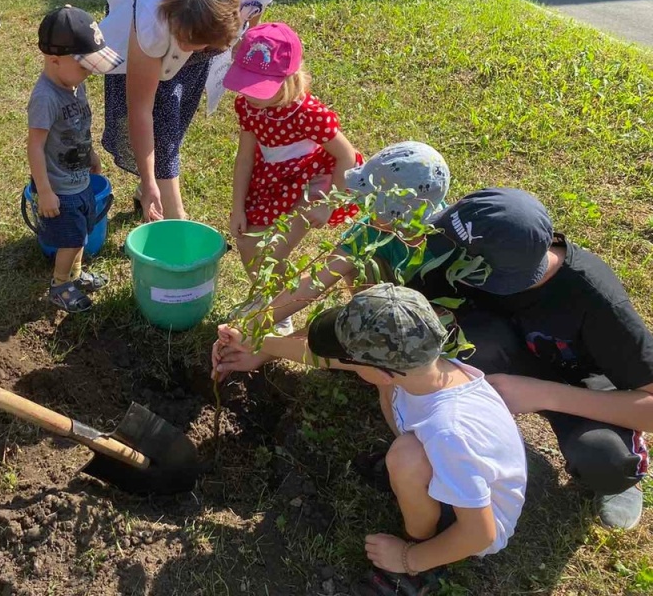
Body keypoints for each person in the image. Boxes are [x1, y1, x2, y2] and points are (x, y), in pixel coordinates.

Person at [213, 284, 527, 596]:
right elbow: (330, 359)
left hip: (470, 524)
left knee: (405, 458)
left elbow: (479, 535)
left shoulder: (450, 432)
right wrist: (256, 344)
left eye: (352, 361)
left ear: (382, 369)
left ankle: (421, 553)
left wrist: (409, 558)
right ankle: (418, 483)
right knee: (396, 418)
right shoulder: (420, 362)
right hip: (453, 466)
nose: (342, 363)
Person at [416, 188, 653, 530]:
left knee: (604, 456)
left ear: (497, 275)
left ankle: (626, 475)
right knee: (472, 338)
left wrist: (543, 393)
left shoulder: (596, 299)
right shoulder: (467, 250)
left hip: (585, 386)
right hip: (507, 351)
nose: (444, 259)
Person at [100, 0, 274, 221]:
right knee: (161, 111)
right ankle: (173, 213)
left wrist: (240, 45)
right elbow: (140, 109)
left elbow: (254, 17)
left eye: (200, 48)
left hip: (201, 8)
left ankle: (158, 196)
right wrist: (149, 179)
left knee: (175, 110)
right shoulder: (149, 16)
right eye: (183, 42)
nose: (186, 52)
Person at [232, 141, 450, 333]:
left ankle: (374, 329)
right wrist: (252, 327)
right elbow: (315, 282)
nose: (368, 209)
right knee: (356, 263)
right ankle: (368, 313)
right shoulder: (371, 231)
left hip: (425, 322)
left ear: (400, 214)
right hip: (390, 299)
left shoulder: (443, 244)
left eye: (373, 203)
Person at [227, 22, 359, 335]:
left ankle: (278, 312)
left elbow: (347, 156)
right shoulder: (248, 105)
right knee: (247, 243)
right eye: (246, 83)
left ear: (288, 79)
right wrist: (238, 208)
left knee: (273, 251)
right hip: (271, 180)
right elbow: (245, 156)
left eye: (258, 86)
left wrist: (328, 204)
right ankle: (268, 297)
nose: (250, 94)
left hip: (311, 183)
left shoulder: (309, 114)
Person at [27, 5, 123, 312]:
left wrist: (91, 153)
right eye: (84, 67)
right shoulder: (45, 98)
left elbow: (79, 127)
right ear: (55, 60)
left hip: (79, 178)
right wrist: (44, 190)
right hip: (59, 188)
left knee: (81, 232)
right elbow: (35, 147)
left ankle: (76, 274)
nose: (90, 74)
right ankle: (59, 284)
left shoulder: (74, 86)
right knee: (70, 239)